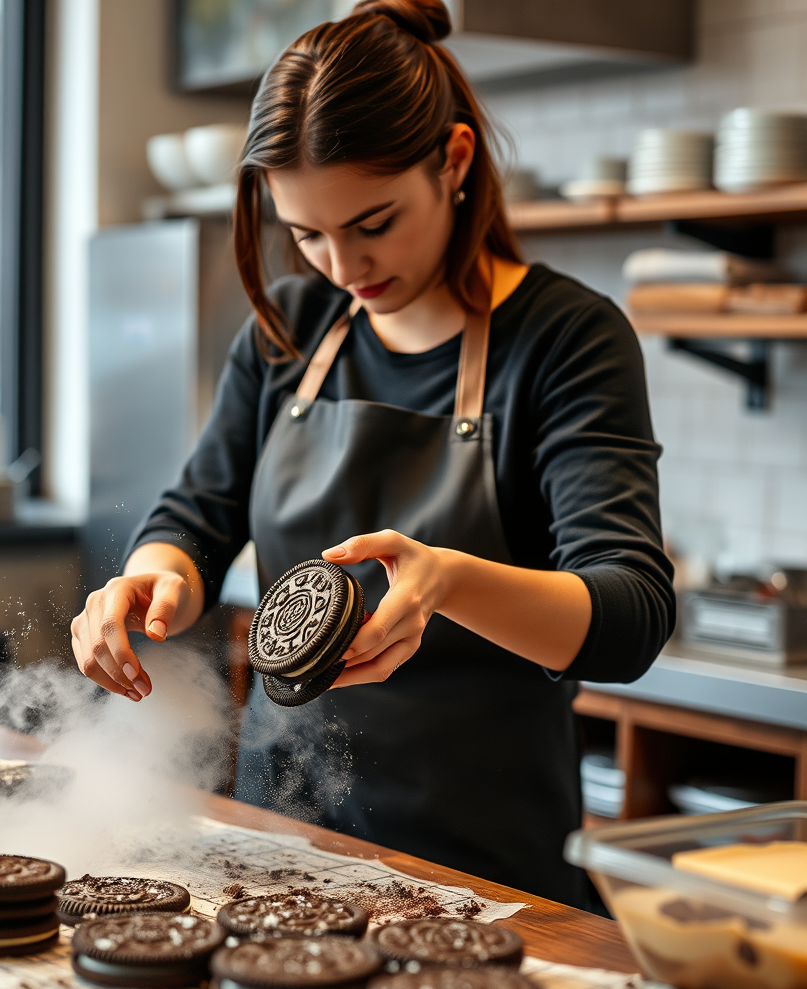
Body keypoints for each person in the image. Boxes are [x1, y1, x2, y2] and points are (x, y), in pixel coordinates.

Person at [72, 0, 674, 907]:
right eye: (308, 233)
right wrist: (155, 578)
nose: (341, 266)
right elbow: (199, 515)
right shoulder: (290, 327)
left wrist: (452, 583)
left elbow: (630, 614)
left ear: (456, 162)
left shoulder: (564, 338)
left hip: (486, 869)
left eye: (374, 222)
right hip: (282, 844)